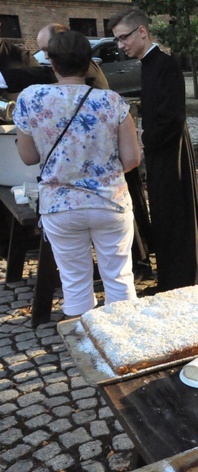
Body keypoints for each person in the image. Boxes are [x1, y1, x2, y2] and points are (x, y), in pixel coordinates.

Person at [13, 30, 140, 316]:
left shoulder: (30, 98)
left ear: (52, 62)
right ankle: (126, 347)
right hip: (110, 201)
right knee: (120, 279)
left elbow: (29, 157)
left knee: (74, 284)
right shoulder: (112, 101)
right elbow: (132, 158)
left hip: (60, 206)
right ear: (89, 63)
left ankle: (87, 349)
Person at [108, 9, 198, 291]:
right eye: (116, 40)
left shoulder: (164, 65)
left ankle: (183, 283)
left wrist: (146, 137)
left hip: (171, 151)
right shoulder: (148, 64)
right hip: (160, 150)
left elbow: (175, 117)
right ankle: (170, 281)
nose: (120, 45)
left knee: (175, 215)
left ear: (142, 31)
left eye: (123, 38)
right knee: (164, 215)